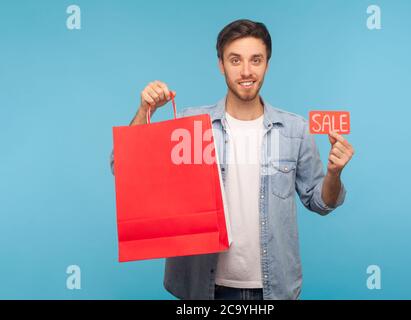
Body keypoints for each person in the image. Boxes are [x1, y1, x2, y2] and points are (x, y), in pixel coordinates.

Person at [111, 19, 354, 300]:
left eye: (256, 60)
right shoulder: (190, 126)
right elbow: (124, 167)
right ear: (221, 65)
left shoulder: (295, 130)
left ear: (267, 65)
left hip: (274, 288)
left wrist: (334, 174)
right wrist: (145, 111)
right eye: (235, 60)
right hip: (202, 288)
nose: (247, 71)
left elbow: (320, 202)